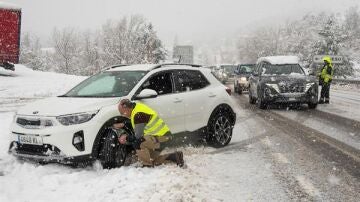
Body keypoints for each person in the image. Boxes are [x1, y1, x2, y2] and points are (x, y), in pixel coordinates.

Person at [113, 99, 184, 167]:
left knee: (138, 143)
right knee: (153, 159)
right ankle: (174, 156)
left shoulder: (138, 114)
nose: (122, 115)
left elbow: (137, 136)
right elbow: (138, 122)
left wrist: (126, 138)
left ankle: (147, 165)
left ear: (127, 109)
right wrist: (124, 124)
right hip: (161, 136)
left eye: (122, 112)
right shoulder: (136, 107)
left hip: (162, 138)